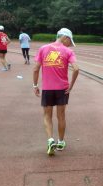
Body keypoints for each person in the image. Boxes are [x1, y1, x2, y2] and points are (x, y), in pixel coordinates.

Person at [33, 28, 79, 156]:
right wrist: (71, 86)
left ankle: (50, 139)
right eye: (70, 41)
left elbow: (36, 69)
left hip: (47, 88)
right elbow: (76, 69)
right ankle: (60, 142)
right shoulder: (68, 51)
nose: (70, 44)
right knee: (61, 116)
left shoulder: (43, 49)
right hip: (62, 89)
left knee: (47, 115)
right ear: (65, 37)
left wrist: (35, 85)